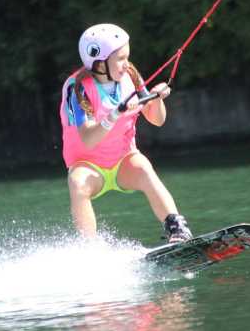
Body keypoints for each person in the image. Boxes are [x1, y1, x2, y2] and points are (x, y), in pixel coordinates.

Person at [59, 23, 193, 243]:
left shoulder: (130, 73)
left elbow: (157, 120)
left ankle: (177, 230)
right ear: (99, 62)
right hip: (89, 166)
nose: (125, 64)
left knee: (144, 168)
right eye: (120, 59)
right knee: (77, 183)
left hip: (123, 161)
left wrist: (157, 99)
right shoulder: (78, 87)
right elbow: (88, 138)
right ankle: (90, 249)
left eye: (127, 57)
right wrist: (114, 115)